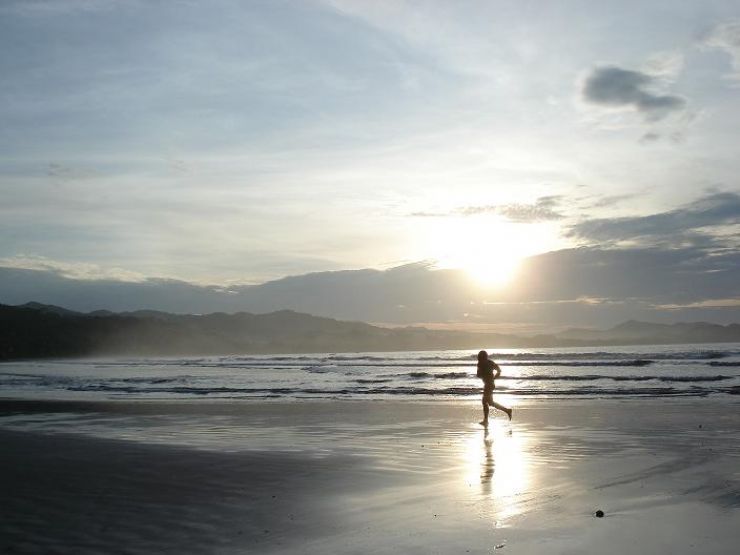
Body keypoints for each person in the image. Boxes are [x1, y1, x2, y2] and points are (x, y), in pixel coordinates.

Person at [476, 350, 512, 426]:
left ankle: (507, 411)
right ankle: (486, 420)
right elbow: (499, 370)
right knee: (488, 402)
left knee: (487, 402)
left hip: (488, 385)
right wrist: (494, 378)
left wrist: (484, 374)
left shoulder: (480, 364)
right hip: (491, 384)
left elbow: (478, 375)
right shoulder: (490, 362)